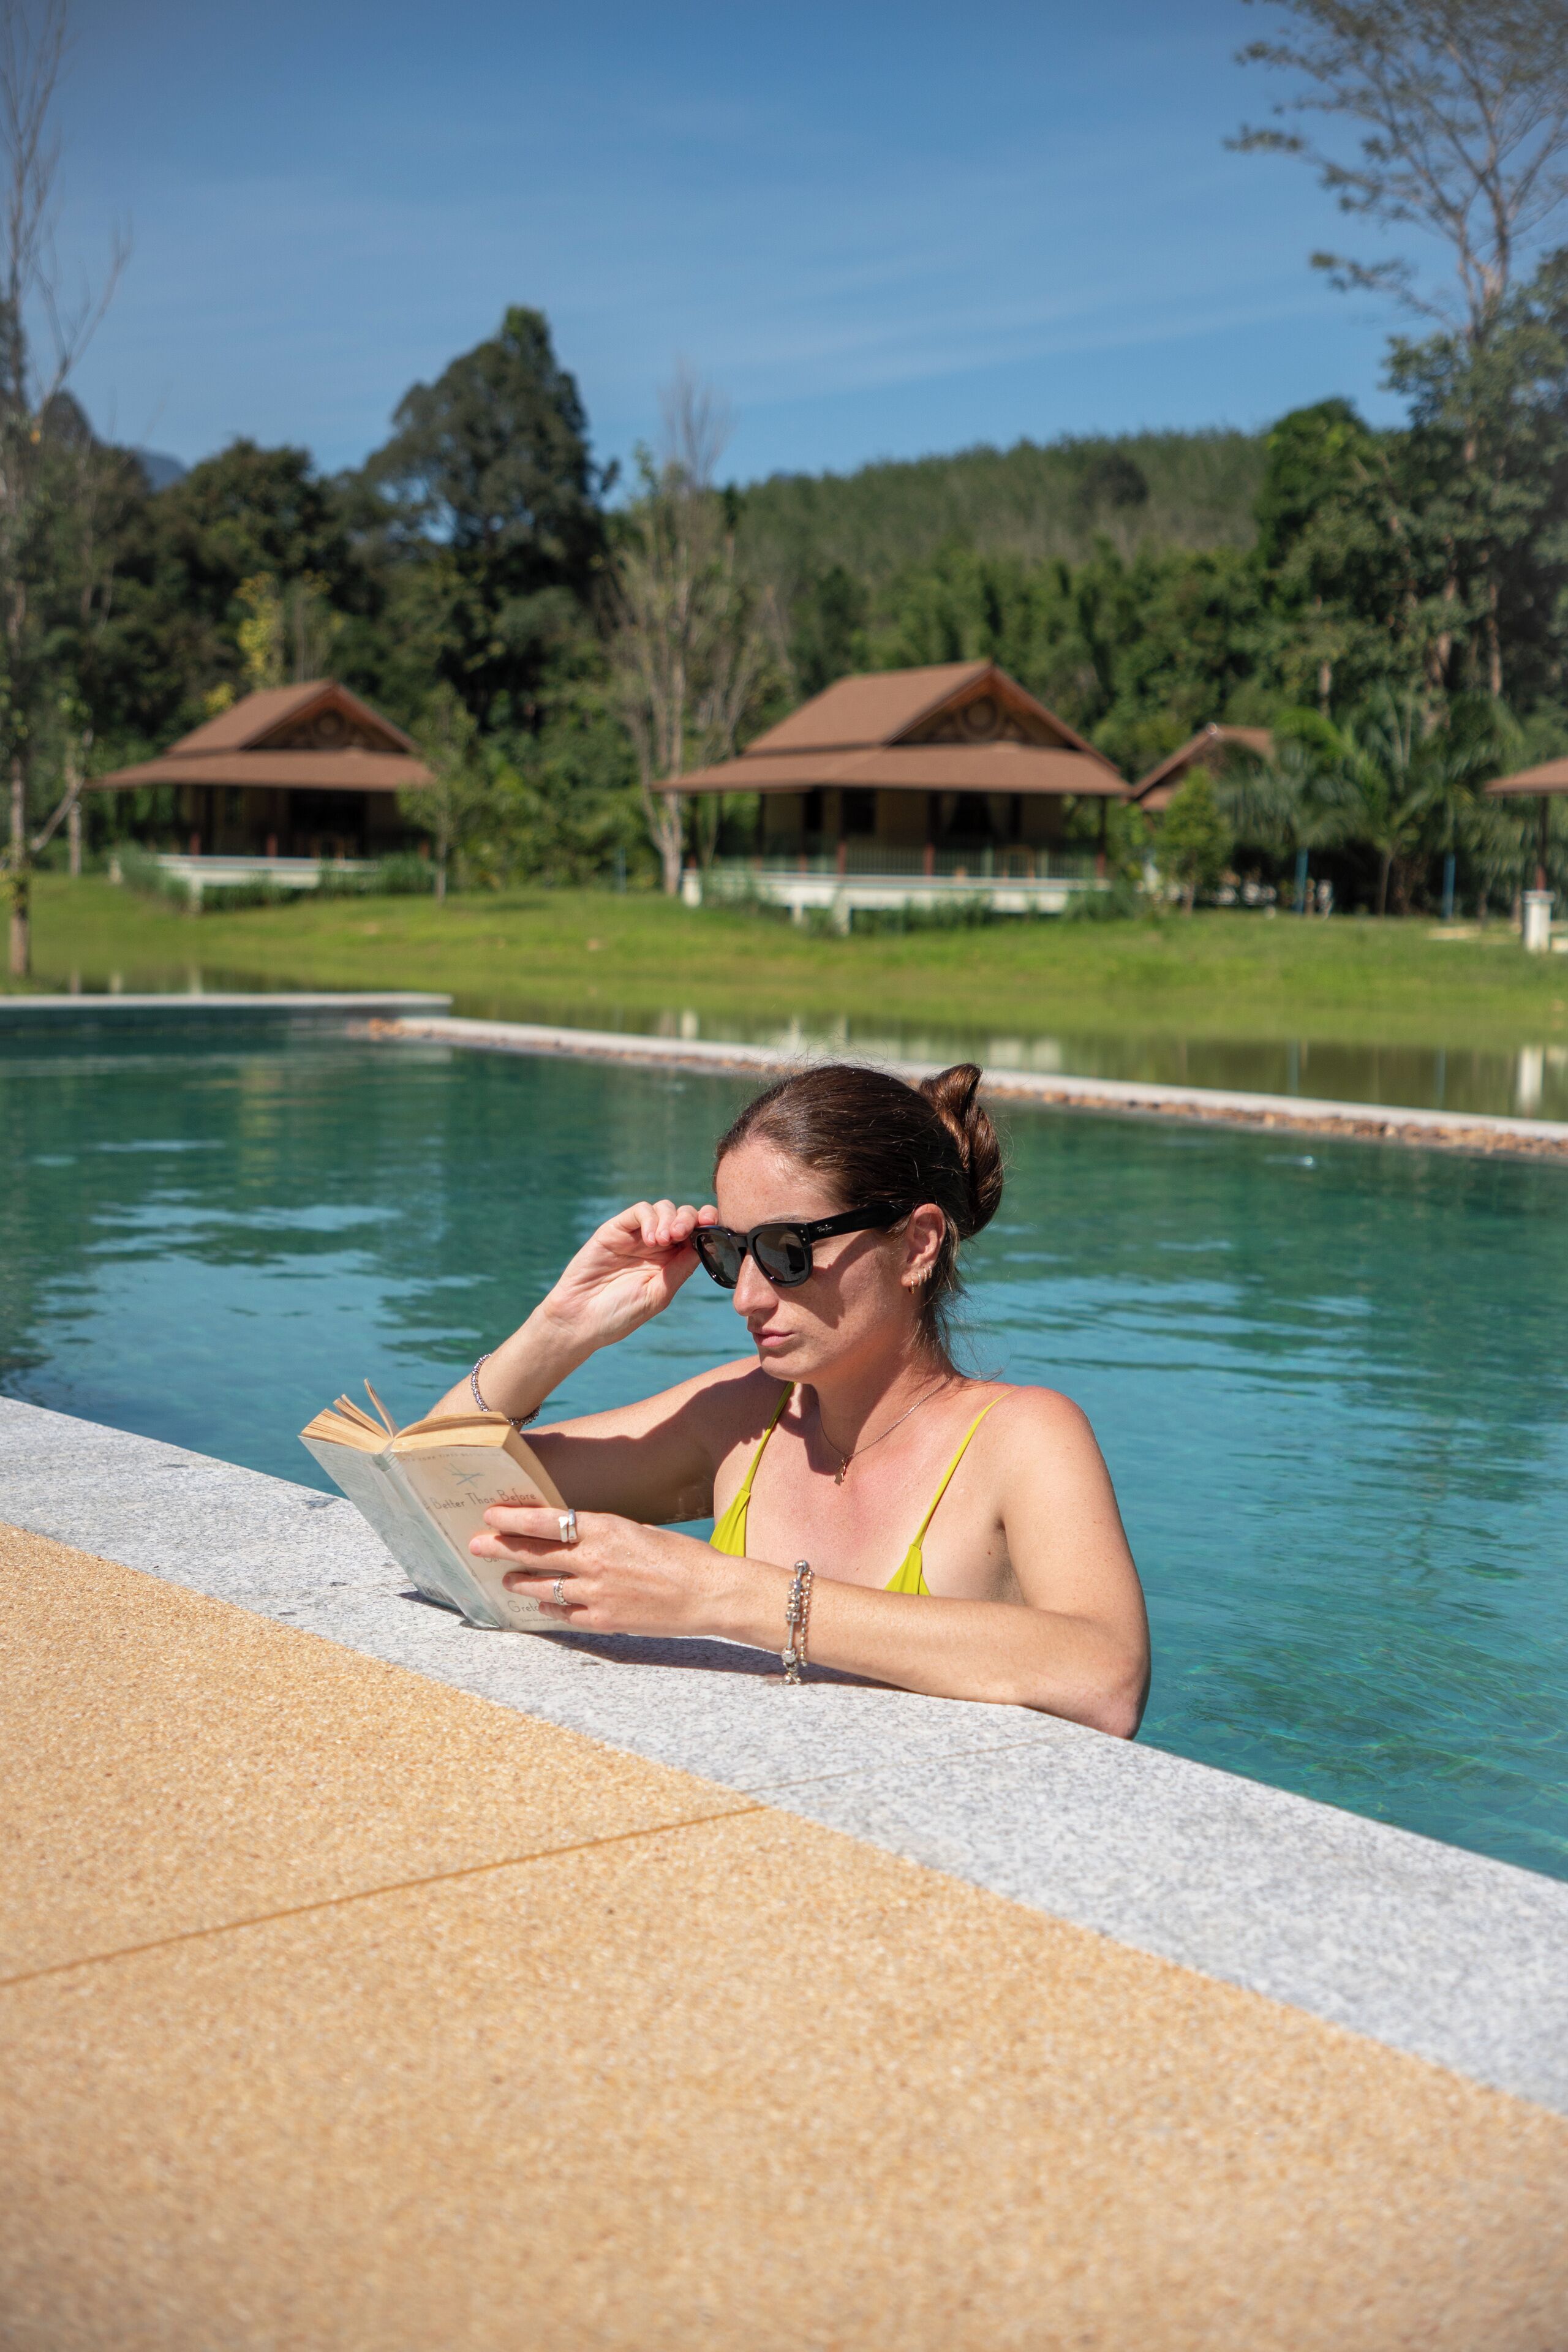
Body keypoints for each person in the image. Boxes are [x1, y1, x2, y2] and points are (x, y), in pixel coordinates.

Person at [436, 1061, 1148, 1730]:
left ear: (918, 1244)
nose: (746, 1296)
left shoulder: (1019, 1437)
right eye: (730, 1253)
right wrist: (560, 1330)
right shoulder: (741, 1419)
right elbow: (436, 1494)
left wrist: (721, 1594)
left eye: (785, 1251)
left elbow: (1105, 1676)